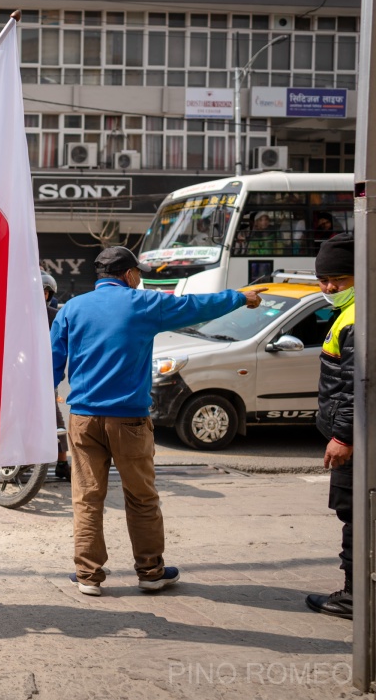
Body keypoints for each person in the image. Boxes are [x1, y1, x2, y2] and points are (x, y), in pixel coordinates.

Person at [50, 246, 266, 597]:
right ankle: (150, 572)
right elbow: (197, 306)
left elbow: (52, 362)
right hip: (129, 421)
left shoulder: (72, 308)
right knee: (141, 498)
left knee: (87, 498)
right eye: (138, 273)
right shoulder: (144, 303)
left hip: (83, 418)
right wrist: (240, 297)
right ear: (129, 274)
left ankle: (88, 575)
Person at [306, 233, 356, 619]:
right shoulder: (350, 312)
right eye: (323, 280)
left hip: (356, 444)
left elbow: (357, 386)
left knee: (354, 514)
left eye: (337, 280)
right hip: (354, 439)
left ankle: (354, 597)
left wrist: (343, 437)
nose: (328, 288)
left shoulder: (357, 318)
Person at [41, 273, 69, 482]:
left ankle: (62, 461)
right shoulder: (10, 313)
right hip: (17, 376)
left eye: (44, 291)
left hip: (44, 376)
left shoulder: (54, 316)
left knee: (54, 415)